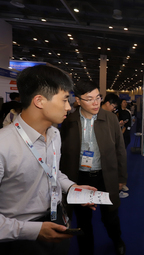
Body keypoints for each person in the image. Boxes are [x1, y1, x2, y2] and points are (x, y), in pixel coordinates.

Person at [0, 65, 96, 255]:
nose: (69, 107)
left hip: (57, 220)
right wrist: (33, 231)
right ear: (39, 101)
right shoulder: (4, 144)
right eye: (64, 100)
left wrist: (71, 187)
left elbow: (52, 171)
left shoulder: (54, 134)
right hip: (20, 237)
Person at [60, 81, 128, 255]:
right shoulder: (69, 121)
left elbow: (120, 150)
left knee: (110, 216)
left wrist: (121, 178)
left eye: (98, 97)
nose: (96, 103)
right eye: (89, 99)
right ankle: (86, 250)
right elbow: (63, 153)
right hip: (80, 178)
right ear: (78, 100)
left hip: (105, 176)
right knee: (83, 220)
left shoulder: (110, 118)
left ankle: (117, 240)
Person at [101, 93, 129, 198]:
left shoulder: (111, 117)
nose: (114, 109)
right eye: (113, 107)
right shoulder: (98, 115)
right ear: (108, 103)